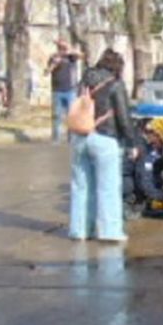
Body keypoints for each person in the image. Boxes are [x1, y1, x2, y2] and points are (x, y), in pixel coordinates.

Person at [68, 48, 138, 244]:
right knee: (108, 187)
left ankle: (79, 230)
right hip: (105, 137)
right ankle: (109, 231)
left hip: (80, 135)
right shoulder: (115, 84)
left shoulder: (85, 80)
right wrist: (131, 143)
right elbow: (124, 118)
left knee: (81, 186)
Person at [47, 39, 80, 141]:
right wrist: (54, 64)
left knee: (71, 115)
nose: (61, 49)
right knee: (57, 115)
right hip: (57, 90)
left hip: (70, 90)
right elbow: (47, 71)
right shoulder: (53, 57)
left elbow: (80, 54)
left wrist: (68, 48)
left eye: (62, 47)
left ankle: (72, 138)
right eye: (59, 47)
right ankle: (56, 138)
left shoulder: (71, 57)